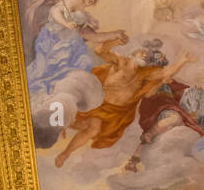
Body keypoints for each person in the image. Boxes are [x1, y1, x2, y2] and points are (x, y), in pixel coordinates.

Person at [54, 37, 194, 166]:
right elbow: (100, 51)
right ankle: (65, 152)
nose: (145, 55)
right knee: (92, 129)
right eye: (142, 53)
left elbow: (165, 73)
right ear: (134, 53)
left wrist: (183, 61)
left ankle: (63, 137)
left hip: (116, 112)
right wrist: (116, 40)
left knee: (89, 128)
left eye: (147, 56)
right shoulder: (121, 62)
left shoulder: (144, 75)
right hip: (98, 103)